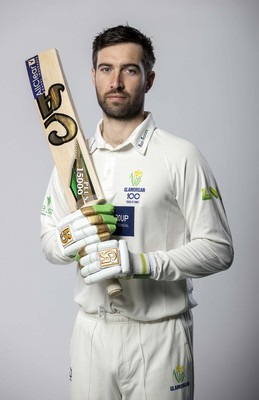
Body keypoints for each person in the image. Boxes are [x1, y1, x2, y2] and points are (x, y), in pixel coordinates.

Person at [41, 25, 234, 400]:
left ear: (149, 79)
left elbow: (218, 249)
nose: (115, 81)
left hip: (159, 334)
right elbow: (49, 241)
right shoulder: (73, 158)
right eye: (105, 68)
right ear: (93, 75)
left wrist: (139, 263)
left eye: (129, 69)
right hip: (91, 333)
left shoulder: (180, 156)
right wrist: (72, 235)